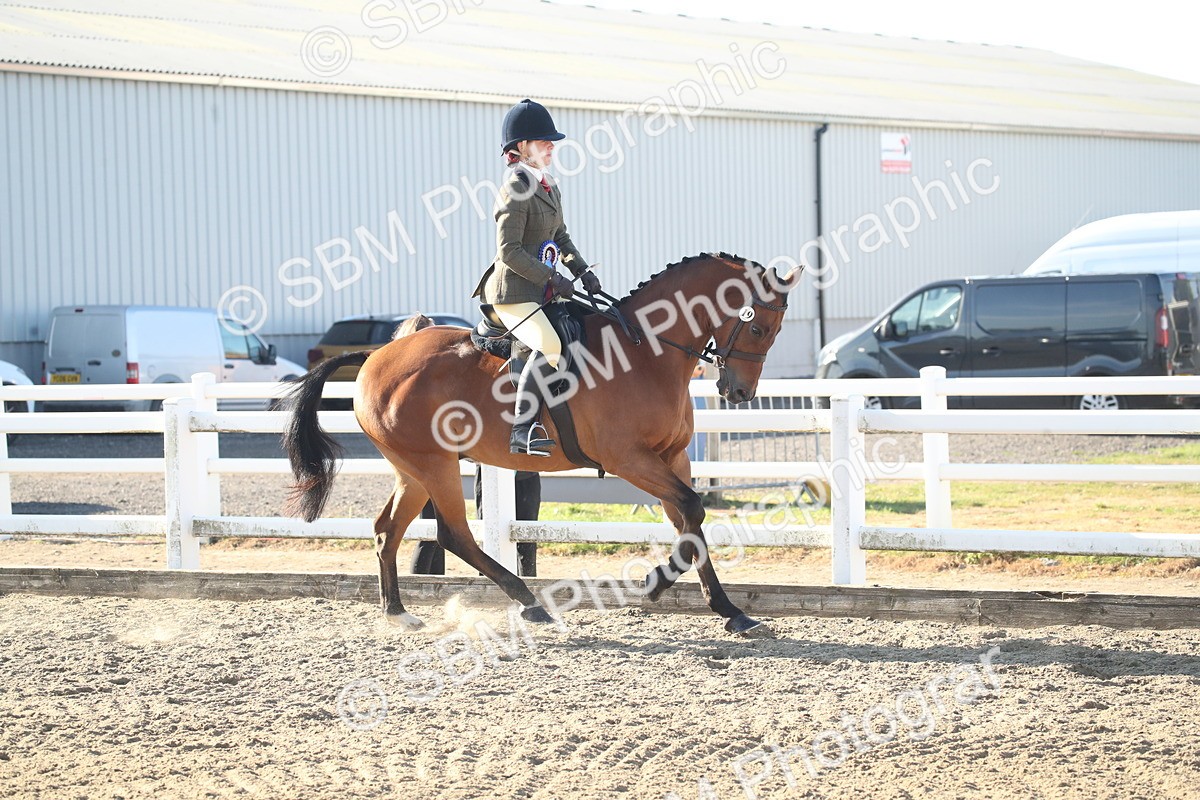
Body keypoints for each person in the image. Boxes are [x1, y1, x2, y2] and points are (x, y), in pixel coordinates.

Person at [471, 98, 602, 457]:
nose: (551, 146)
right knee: (551, 345)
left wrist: (582, 270)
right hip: (511, 293)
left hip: (542, 289)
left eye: (551, 141)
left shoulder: (549, 186)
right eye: (543, 141)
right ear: (519, 148)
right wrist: (552, 277)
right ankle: (523, 429)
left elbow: (560, 238)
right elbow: (508, 251)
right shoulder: (515, 188)